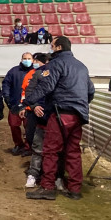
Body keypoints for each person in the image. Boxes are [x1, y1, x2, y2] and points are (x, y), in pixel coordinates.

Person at [25, 36, 95, 200]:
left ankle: (48, 187)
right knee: (73, 152)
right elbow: (90, 91)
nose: (50, 47)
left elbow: (47, 86)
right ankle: (75, 189)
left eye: (52, 45)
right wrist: (81, 104)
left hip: (60, 112)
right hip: (78, 114)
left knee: (50, 151)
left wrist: (29, 101)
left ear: (58, 47)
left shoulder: (56, 64)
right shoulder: (81, 67)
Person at [22, 53, 51, 189]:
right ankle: (33, 173)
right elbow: (29, 93)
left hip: (55, 115)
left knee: (54, 148)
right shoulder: (39, 74)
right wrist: (34, 106)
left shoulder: (64, 74)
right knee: (35, 143)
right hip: (38, 115)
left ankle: (53, 176)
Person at [2, 52, 34, 155]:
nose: (27, 60)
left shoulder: (36, 72)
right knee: (14, 125)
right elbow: (6, 84)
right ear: (21, 59)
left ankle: (28, 147)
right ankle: (18, 144)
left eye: (29, 58)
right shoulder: (13, 71)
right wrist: (6, 96)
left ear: (33, 60)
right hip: (15, 103)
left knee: (29, 127)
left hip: (30, 106)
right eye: (25, 58)